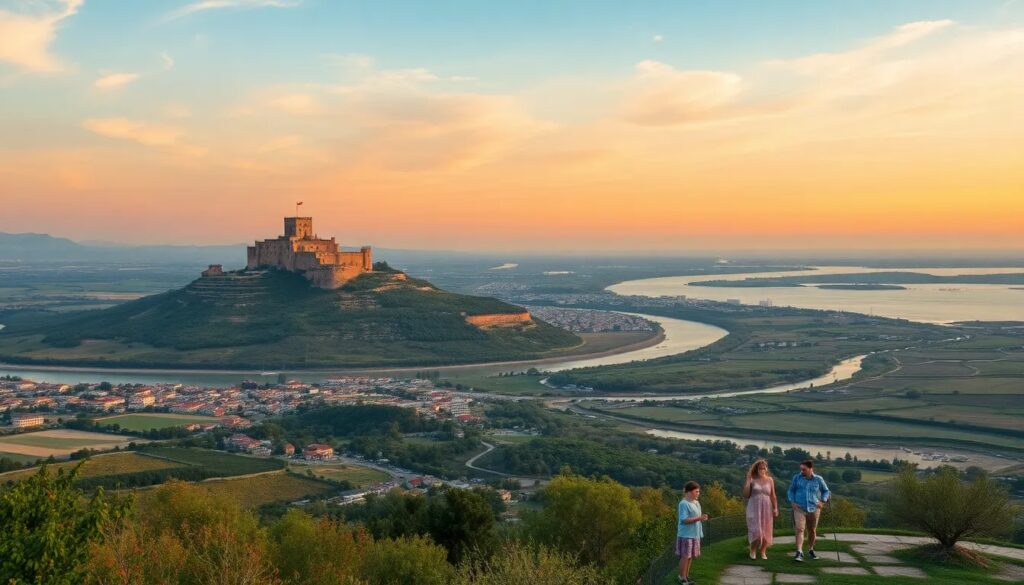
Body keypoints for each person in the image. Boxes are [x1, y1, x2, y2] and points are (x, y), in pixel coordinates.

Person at [786, 459, 831, 562]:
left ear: (811, 469)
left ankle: (810, 550)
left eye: (804, 469)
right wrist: (792, 501)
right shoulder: (796, 478)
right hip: (799, 508)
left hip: (814, 508)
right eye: (801, 469)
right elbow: (791, 490)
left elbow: (826, 491)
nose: (802, 471)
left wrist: (822, 501)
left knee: (812, 530)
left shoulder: (818, 479)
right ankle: (799, 552)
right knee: (800, 529)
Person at [743, 459, 779, 560]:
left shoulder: (770, 480)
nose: (762, 470)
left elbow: (773, 495)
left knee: (766, 529)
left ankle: (763, 551)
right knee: (756, 530)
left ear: (766, 469)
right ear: (756, 469)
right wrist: (748, 482)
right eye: (760, 468)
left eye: (764, 468)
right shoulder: (752, 479)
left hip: (767, 507)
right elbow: (746, 495)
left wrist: (775, 508)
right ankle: (753, 550)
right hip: (754, 507)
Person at [676, 481, 708, 585]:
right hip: (686, 535)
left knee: (689, 557)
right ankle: (682, 577)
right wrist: (699, 518)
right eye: (696, 491)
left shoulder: (696, 502)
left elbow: (696, 517)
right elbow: (684, 520)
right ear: (689, 492)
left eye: (698, 491)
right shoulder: (683, 504)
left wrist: (700, 518)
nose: (698, 493)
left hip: (694, 534)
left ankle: (686, 576)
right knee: (685, 556)